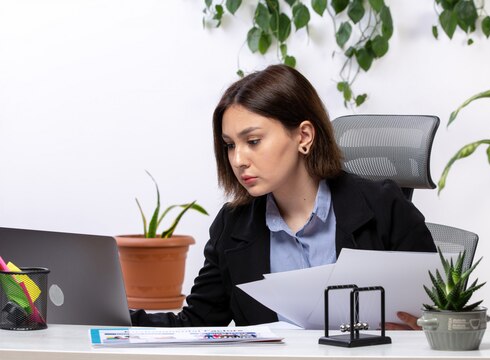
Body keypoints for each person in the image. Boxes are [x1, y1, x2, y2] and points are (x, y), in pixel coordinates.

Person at [131, 64, 436, 329]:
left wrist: (422, 331)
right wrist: (112, 315)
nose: (238, 159)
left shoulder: (383, 206)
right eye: (230, 145)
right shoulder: (233, 226)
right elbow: (197, 323)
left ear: (303, 136)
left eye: (253, 141)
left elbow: (443, 312)